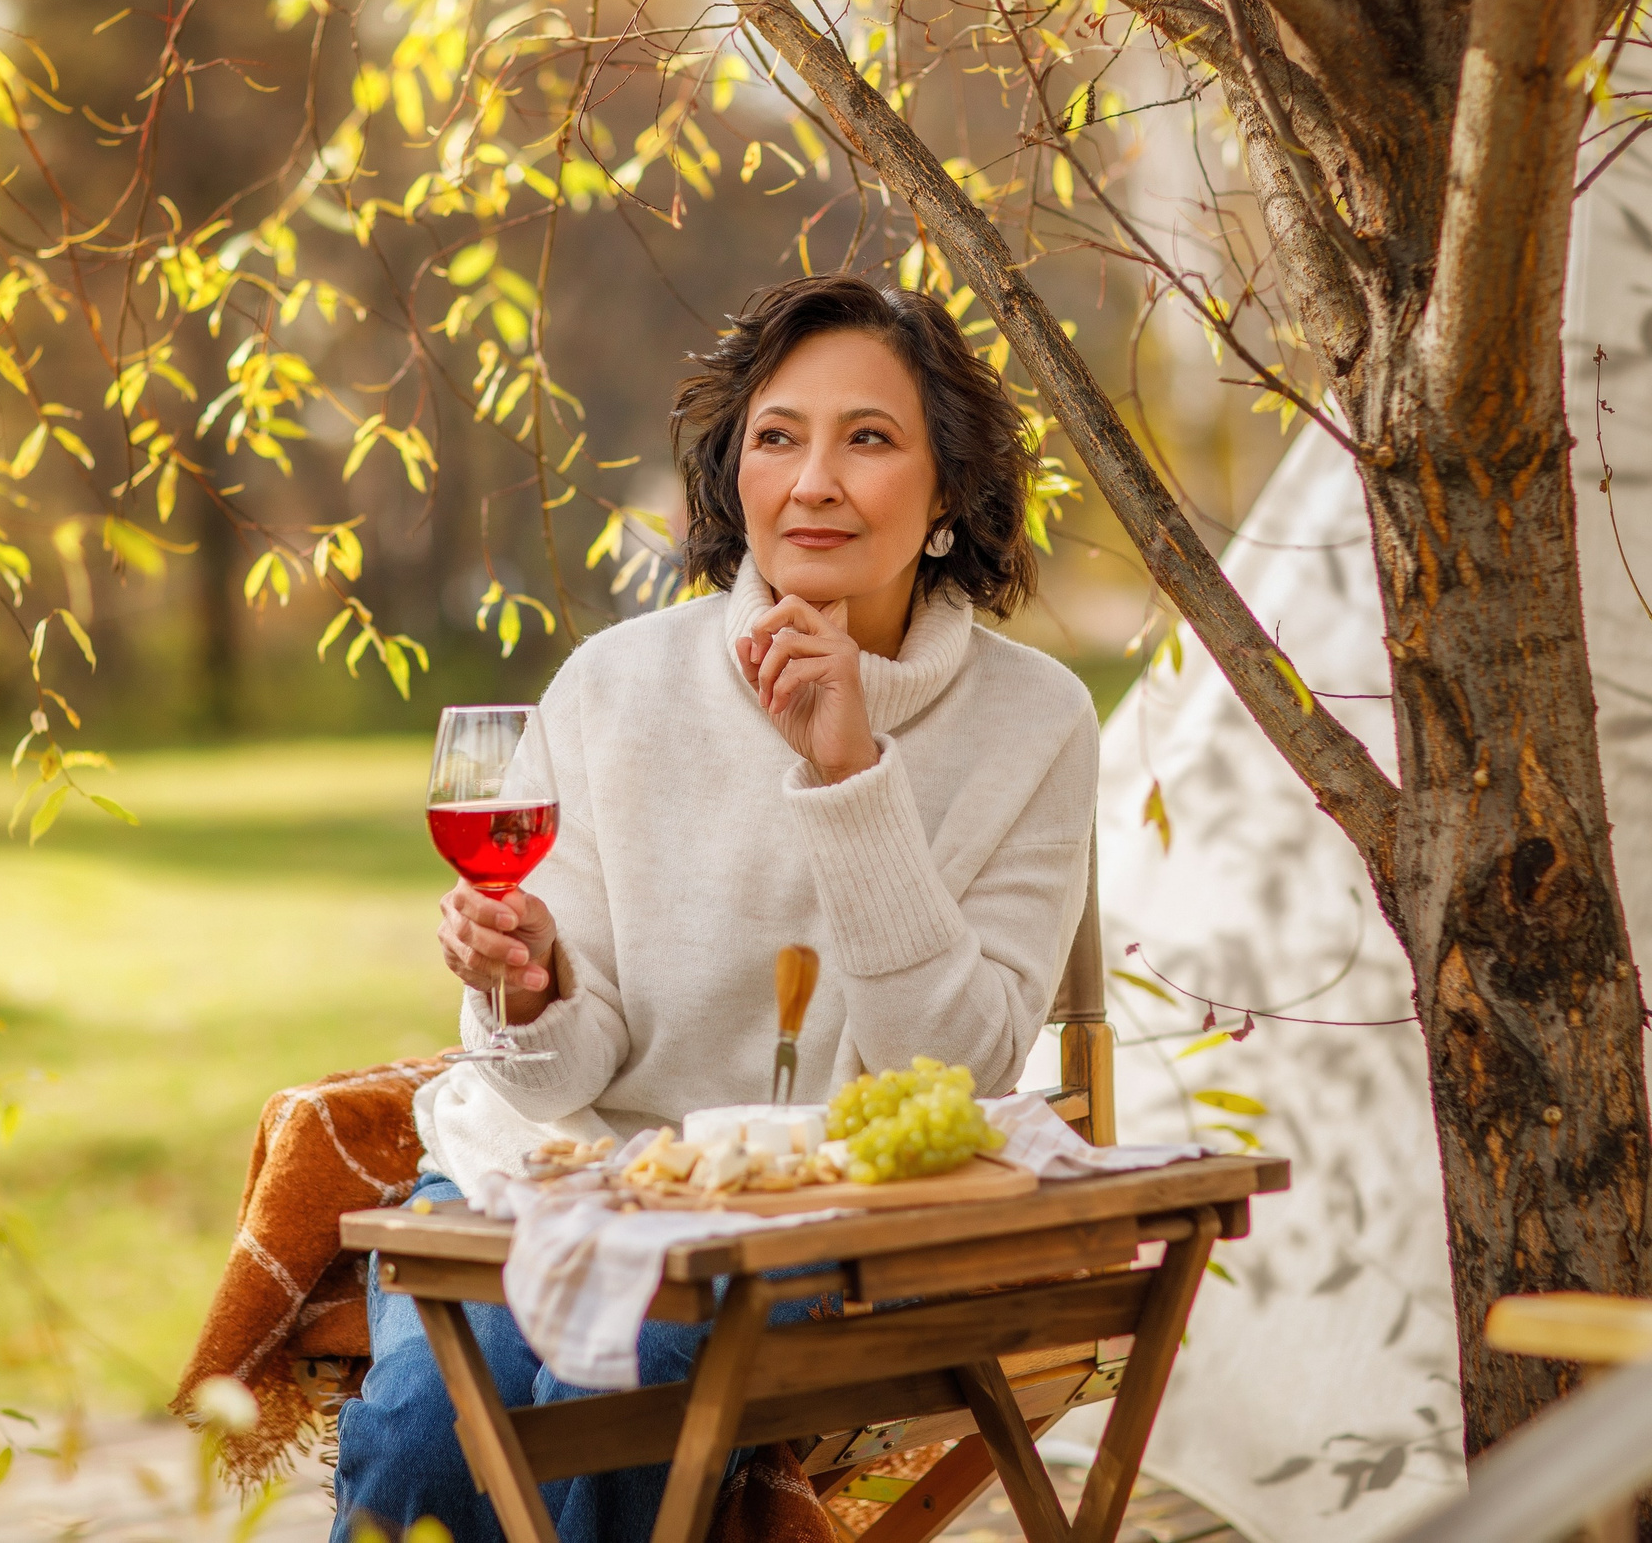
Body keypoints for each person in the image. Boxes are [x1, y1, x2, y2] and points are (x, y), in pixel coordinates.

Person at [332, 274, 1100, 1543]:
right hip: (555, 1176)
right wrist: (530, 986)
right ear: (732, 476)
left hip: (827, 1216)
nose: (813, 482)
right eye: (777, 438)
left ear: (950, 489)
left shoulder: (1033, 722)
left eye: (869, 438)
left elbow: (950, 1069)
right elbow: (554, 1077)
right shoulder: (615, 684)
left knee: (618, 1385)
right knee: (423, 1435)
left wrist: (849, 775)